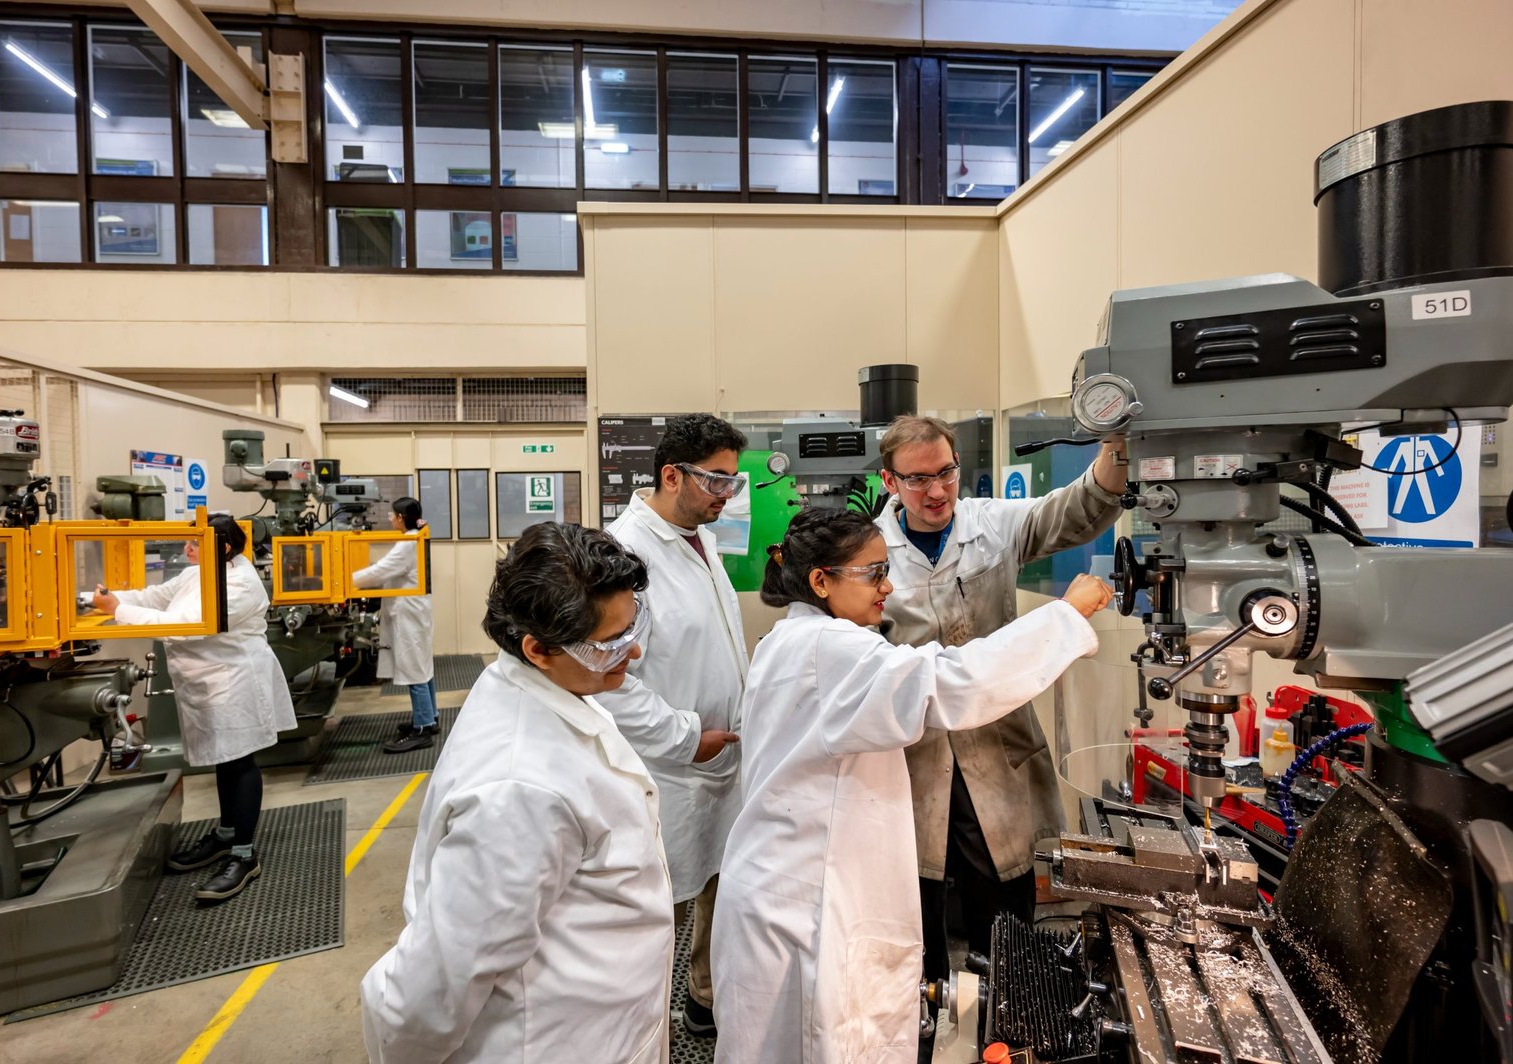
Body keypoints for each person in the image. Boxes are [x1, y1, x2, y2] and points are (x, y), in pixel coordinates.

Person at [710, 508, 1112, 1063]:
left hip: (788, 887)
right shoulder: (832, 650)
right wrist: (1064, 617)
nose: (888, 586)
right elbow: (948, 683)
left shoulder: (794, 639)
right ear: (820, 580)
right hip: (811, 907)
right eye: (872, 574)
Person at [361, 522, 675, 1064]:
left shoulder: (543, 684)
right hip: (552, 1042)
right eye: (610, 643)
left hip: (597, 1019)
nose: (635, 650)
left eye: (633, 626)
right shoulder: (517, 792)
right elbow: (430, 993)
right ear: (538, 648)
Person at [870, 415, 1125, 985]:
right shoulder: (869, 551)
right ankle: (924, 1021)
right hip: (915, 747)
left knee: (1005, 899)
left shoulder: (992, 524)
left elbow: (1079, 508)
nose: (936, 491)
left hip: (996, 743)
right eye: (917, 480)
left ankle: (1012, 1016)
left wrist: (1120, 448)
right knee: (914, 900)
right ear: (889, 482)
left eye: (946, 473)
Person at [599, 412, 746, 1039]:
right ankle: (635, 1034)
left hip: (722, 759)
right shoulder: (625, 554)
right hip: (669, 769)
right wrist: (687, 738)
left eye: (733, 483)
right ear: (671, 476)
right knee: (658, 910)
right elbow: (609, 680)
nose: (727, 496)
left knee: (722, 886)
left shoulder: (700, 537)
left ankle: (704, 998)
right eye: (717, 482)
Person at [90, 513, 296, 903]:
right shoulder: (199, 572)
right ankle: (225, 836)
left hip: (233, 683)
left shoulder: (241, 585)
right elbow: (156, 597)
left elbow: (185, 624)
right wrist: (110, 597)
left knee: (239, 763)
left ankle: (244, 855)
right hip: (207, 684)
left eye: (195, 543)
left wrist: (116, 610)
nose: (187, 550)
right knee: (225, 760)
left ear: (225, 548)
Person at [350, 497, 436, 755]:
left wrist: (344, 579)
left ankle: (422, 729)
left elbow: (382, 570)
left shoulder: (408, 542)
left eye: (392, 515)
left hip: (409, 614)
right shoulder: (417, 534)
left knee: (414, 670)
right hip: (414, 610)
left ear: (400, 517)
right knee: (422, 667)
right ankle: (429, 717)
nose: (389, 519)